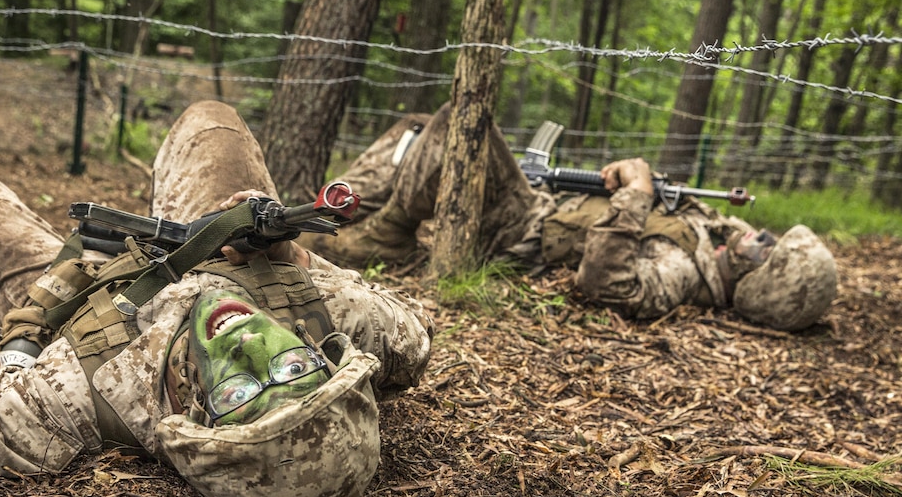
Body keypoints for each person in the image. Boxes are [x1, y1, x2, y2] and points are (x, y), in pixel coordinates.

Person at [0, 101, 434, 497]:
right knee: (209, 117)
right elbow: (413, 338)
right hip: (211, 237)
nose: (251, 343)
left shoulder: (75, 396)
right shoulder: (332, 320)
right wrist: (298, 257)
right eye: (292, 368)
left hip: (64, 287)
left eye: (245, 390)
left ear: (200, 425)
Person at [304, 104, 837, 332]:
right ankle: (340, 209)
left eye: (766, 248)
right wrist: (634, 175)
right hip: (540, 203)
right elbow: (666, 201)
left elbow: (607, 283)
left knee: (464, 124)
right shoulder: (722, 240)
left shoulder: (683, 275)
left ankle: (389, 232)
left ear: (758, 284)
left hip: (520, 231)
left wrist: (638, 194)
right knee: (422, 127)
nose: (757, 236)